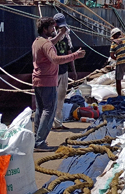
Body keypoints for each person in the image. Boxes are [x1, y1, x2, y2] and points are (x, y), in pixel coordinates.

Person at [32, 17, 85, 151]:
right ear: (45, 29)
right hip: (48, 81)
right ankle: (40, 142)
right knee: (49, 110)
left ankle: (35, 139)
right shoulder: (47, 44)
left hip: (37, 80)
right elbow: (55, 59)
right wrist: (75, 55)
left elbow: (50, 43)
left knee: (39, 110)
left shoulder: (38, 42)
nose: (53, 30)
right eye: (52, 28)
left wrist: (61, 34)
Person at [51, 13, 76, 130]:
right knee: (51, 98)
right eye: (59, 27)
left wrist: (74, 71)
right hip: (53, 72)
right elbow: (49, 46)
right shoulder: (49, 36)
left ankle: (58, 123)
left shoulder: (67, 37)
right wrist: (59, 34)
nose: (61, 29)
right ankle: (49, 123)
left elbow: (69, 53)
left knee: (61, 98)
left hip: (64, 71)